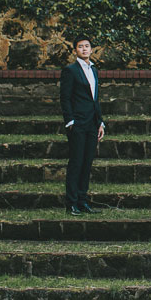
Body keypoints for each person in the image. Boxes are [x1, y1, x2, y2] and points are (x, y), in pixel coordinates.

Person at [60, 35, 106, 216]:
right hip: (77, 124)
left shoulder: (94, 70)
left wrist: (100, 122)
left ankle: (82, 201)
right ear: (75, 51)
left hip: (92, 123)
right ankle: (71, 203)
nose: (85, 49)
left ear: (91, 49)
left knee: (87, 163)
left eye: (87, 46)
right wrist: (70, 121)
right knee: (76, 163)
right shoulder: (70, 70)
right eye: (81, 47)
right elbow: (65, 98)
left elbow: (95, 99)